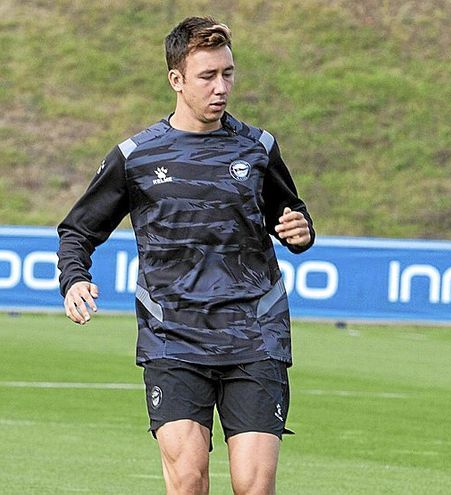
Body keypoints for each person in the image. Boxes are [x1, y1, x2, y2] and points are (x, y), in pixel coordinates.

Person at [57, 17, 314, 494]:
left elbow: (291, 217)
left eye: (228, 74)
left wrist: (300, 232)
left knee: (253, 486)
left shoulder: (258, 148)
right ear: (176, 80)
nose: (222, 87)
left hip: (254, 332)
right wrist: (74, 277)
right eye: (207, 76)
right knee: (189, 480)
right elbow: (78, 230)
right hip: (171, 336)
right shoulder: (136, 156)